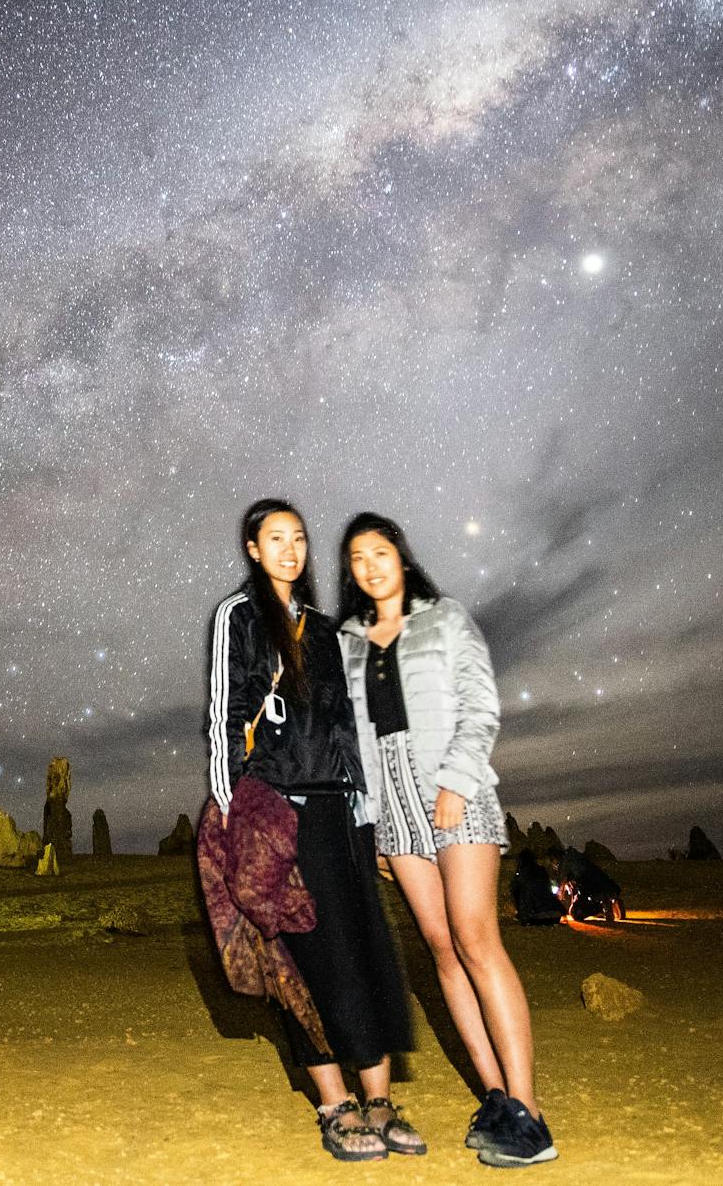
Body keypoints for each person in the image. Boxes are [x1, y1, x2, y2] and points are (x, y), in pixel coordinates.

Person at [338, 512, 558, 1168]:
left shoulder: (446, 618)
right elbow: (353, 740)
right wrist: (370, 818)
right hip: (393, 804)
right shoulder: (349, 641)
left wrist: (459, 781)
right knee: (439, 948)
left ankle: (528, 1110)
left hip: (449, 785)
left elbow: (480, 706)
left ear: (401, 556)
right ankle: (494, 1097)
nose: (371, 565)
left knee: (475, 937)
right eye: (357, 558)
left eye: (381, 551)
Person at [204, 498, 419, 1162]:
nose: (291, 550)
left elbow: (355, 721)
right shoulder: (239, 616)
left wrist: (372, 813)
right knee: (302, 959)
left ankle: (379, 1098)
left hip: (341, 810)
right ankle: (334, 1102)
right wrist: (236, 811)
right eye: (276, 539)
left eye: (298, 538)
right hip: (278, 809)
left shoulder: (328, 629)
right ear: (252, 547)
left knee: (363, 950)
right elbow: (224, 716)